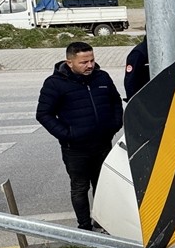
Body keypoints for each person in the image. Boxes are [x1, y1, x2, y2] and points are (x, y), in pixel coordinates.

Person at [36, 42, 124, 231]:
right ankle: (84, 227)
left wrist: (115, 124)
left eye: (92, 60)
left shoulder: (102, 77)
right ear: (70, 62)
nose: (90, 65)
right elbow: (43, 114)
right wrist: (68, 135)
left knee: (103, 186)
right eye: (84, 62)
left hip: (102, 143)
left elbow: (115, 101)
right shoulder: (55, 84)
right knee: (80, 187)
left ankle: (104, 223)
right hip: (75, 149)